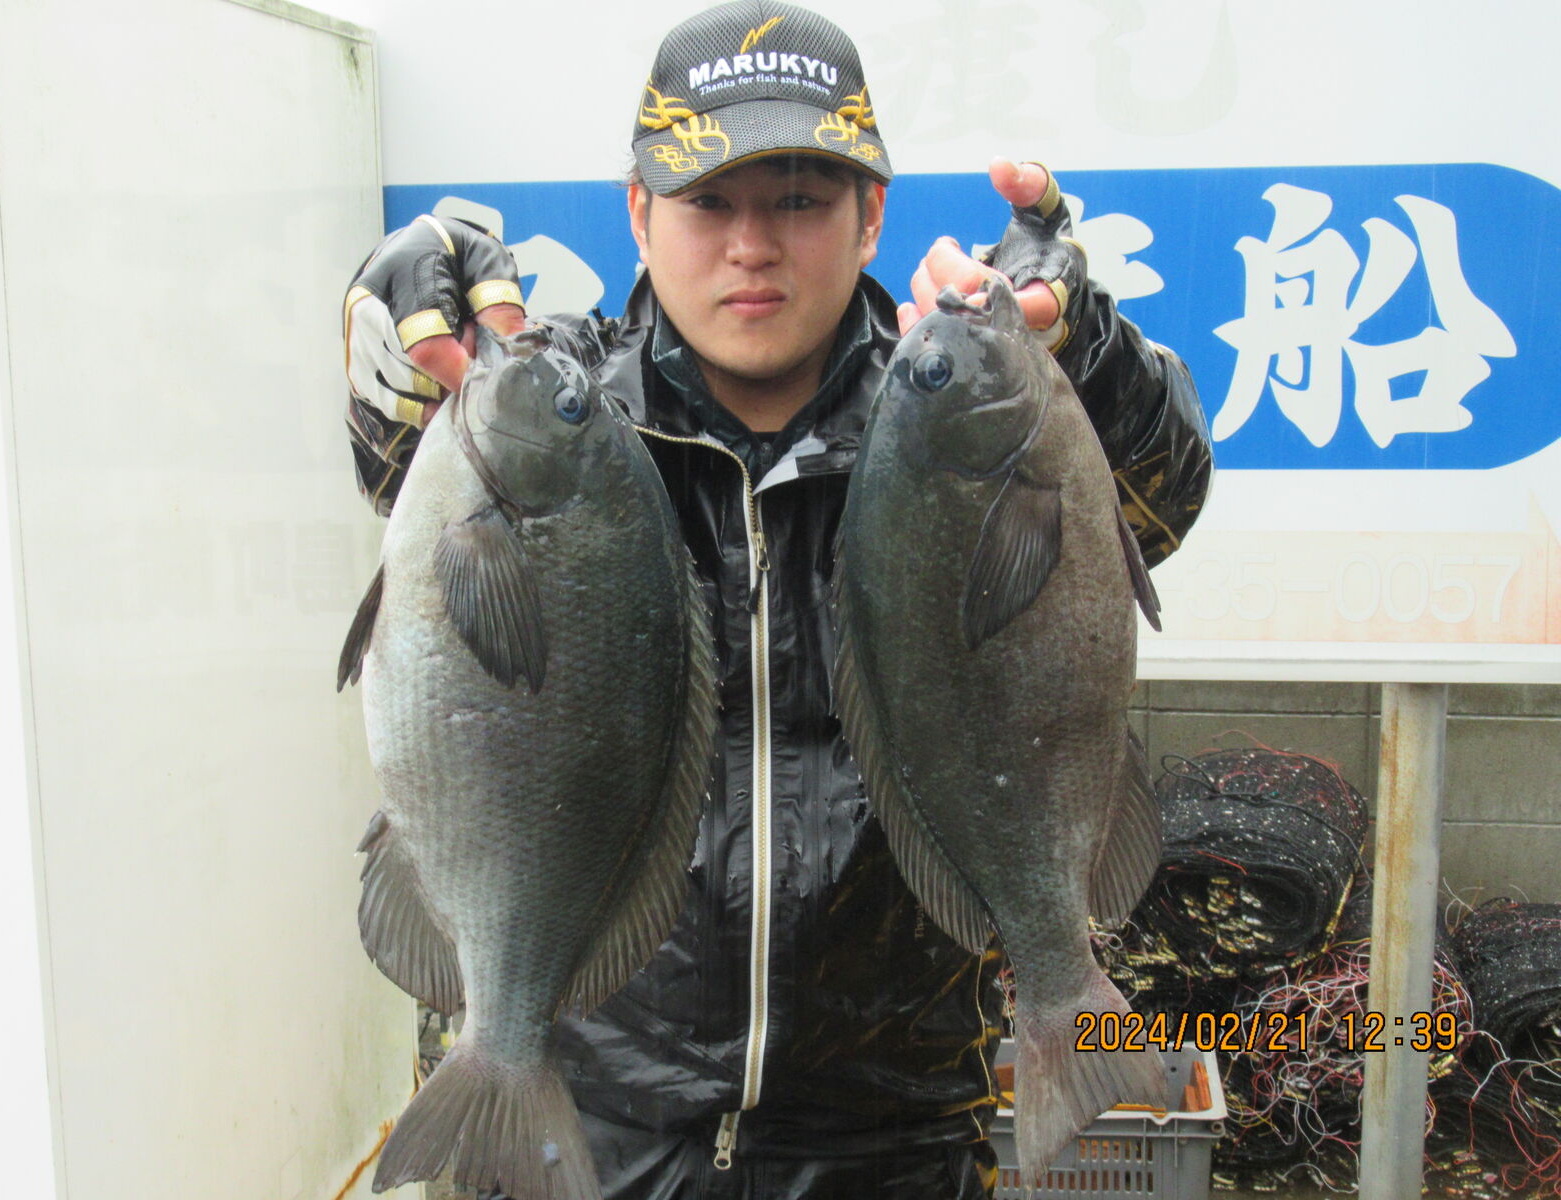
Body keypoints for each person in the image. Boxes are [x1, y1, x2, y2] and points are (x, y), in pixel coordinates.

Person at [342, 3, 1213, 1196]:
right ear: (639, 212)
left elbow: (1161, 492)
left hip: (896, 1142)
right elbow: (401, 465)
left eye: (799, 199)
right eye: (708, 202)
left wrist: (1080, 350)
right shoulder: (557, 407)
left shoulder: (949, 415)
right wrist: (393, 339)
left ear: (871, 214)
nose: (751, 245)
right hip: (585, 1134)